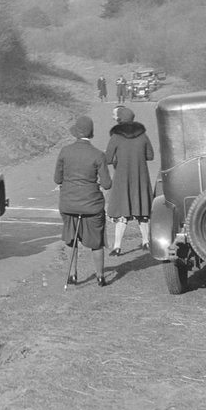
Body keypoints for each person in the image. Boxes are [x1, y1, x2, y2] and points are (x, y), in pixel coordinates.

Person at [54, 115, 112, 287]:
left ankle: (72, 275)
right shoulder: (98, 155)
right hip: (92, 205)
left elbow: (57, 179)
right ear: (91, 133)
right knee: (96, 242)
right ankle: (100, 276)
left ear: (76, 133)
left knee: (71, 239)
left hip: (68, 204)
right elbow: (107, 184)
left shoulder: (65, 151)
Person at [105, 106, 155, 255]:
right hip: (140, 177)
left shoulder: (116, 137)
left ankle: (117, 246)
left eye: (115, 115)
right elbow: (150, 156)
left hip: (122, 178)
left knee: (122, 212)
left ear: (120, 119)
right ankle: (146, 241)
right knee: (142, 211)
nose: (113, 117)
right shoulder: (143, 136)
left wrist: (118, 160)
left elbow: (108, 159)